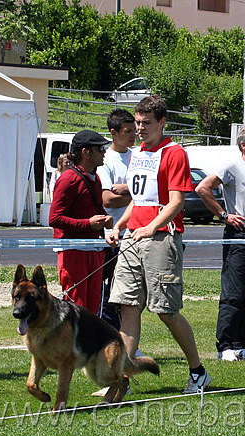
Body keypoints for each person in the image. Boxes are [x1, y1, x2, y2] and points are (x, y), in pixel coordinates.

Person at [107, 95, 211, 394]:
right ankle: (120, 380)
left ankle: (198, 371)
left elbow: (176, 202)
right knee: (127, 307)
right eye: (137, 123)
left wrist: (150, 227)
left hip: (161, 238)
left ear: (162, 123)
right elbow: (138, 201)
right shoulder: (137, 152)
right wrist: (119, 226)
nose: (139, 129)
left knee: (165, 310)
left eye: (146, 124)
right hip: (133, 238)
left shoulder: (175, 153)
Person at [196, 124, 245, 362]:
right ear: (244, 145)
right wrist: (224, 215)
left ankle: (241, 345)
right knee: (233, 292)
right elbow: (203, 188)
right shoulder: (231, 166)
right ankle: (226, 345)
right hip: (239, 236)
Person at [49, 130, 113, 314]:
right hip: (74, 252)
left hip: (95, 249)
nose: (104, 152)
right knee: (76, 309)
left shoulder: (96, 178)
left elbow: (96, 208)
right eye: (100, 148)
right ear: (86, 152)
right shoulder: (68, 179)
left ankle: (90, 343)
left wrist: (105, 219)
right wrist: (88, 224)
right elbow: (54, 218)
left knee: (93, 310)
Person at [96, 109, 136, 330]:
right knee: (109, 291)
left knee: (129, 294)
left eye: (134, 130)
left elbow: (154, 192)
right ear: (114, 132)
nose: (133, 136)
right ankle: (108, 335)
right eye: (127, 131)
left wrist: (127, 189)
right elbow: (107, 199)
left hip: (135, 233)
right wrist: (138, 196)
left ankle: (126, 336)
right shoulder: (106, 160)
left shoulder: (137, 156)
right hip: (113, 236)